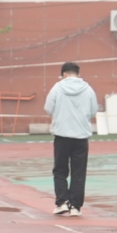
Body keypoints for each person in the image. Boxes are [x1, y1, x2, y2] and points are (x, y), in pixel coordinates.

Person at [44, 62, 100, 216]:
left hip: (62, 134)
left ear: (63, 74)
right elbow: (93, 110)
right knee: (78, 172)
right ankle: (75, 206)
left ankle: (61, 202)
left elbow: (48, 108)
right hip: (81, 135)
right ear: (78, 74)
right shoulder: (88, 89)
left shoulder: (57, 88)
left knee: (60, 170)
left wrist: (60, 115)